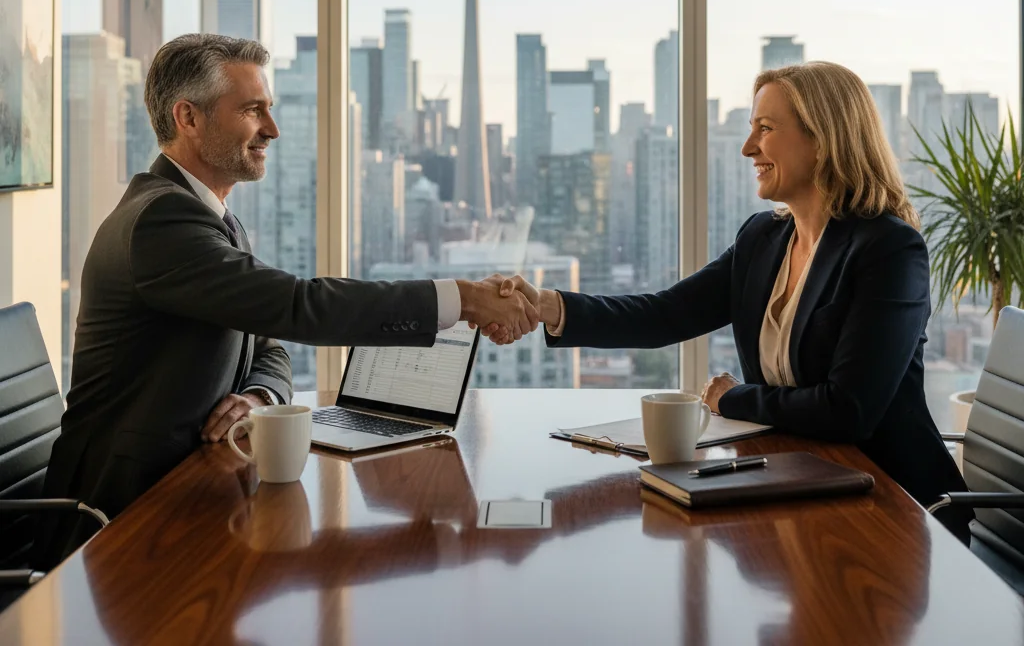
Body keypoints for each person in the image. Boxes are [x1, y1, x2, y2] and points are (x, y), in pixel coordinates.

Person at [42, 34, 536, 561]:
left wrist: (259, 399)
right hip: (117, 524)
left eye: (269, 110)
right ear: (188, 117)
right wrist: (462, 299)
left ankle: (432, 547)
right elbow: (299, 306)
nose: (272, 130)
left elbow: (269, 347)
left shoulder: (215, 218)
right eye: (253, 111)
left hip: (190, 497)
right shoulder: (162, 223)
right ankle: (434, 548)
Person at [492, 62, 971, 542]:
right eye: (751, 130)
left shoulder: (888, 249)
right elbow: (666, 314)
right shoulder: (763, 238)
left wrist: (732, 396)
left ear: (823, 139)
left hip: (894, 508)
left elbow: (849, 409)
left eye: (765, 129)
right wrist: (549, 307)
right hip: (800, 483)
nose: (748, 148)